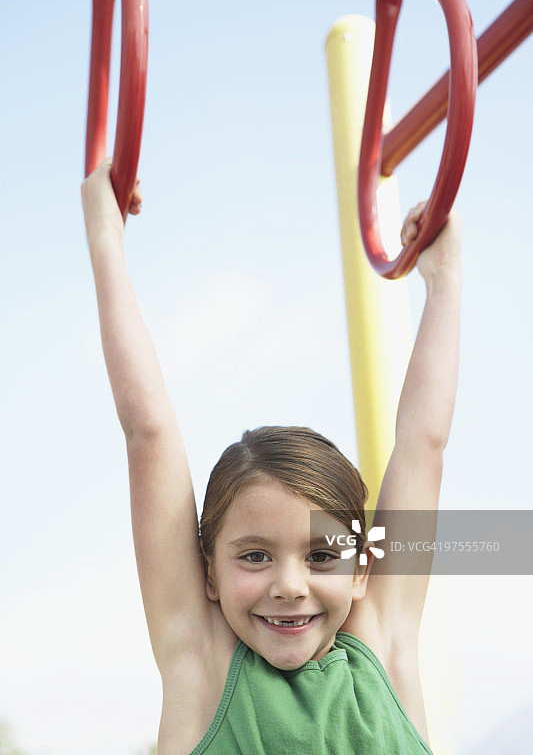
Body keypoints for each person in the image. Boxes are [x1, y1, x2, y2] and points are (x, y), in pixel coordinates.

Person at [81, 159, 461, 755]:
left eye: (320, 555)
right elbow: (147, 434)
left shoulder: (383, 648)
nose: (289, 585)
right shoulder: (202, 670)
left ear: (362, 570)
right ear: (207, 572)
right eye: (255, 556)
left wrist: (444, 282)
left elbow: (424, 443)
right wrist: (105, 238)